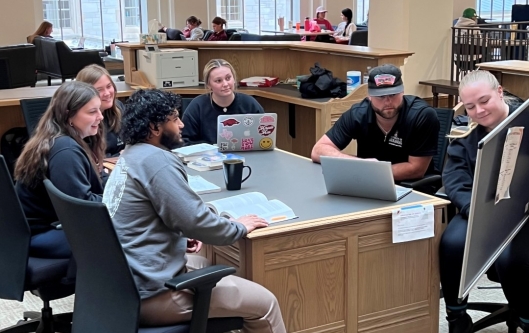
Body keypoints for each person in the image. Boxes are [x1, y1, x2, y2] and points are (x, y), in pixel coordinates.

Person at [102, 88, 286, 332]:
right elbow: (198, 222)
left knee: (203, 261)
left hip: (121, 285)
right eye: (175, 118)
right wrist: (239, 226)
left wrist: (179, 233)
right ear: (155, 128)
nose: (182, 124)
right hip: (150, 295)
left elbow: (157, 217)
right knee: (267, 304)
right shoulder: (158, 161)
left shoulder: (130, 156)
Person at [440, 70, 529, 333]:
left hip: (524, 212)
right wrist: (473, 209)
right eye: (470, 106)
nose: (478, 111)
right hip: (479, 209)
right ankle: (457, 318)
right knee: (452, 244)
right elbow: (454, 176)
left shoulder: (525, 117)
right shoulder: (462, 127)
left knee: (511, 257)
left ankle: (525, 317)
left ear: (500, 92)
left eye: (484, 100)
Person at [14, 81, 105, 259]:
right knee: (126, 234)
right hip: (42, 233)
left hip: (43, 228)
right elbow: (80, 207)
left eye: (99, 110)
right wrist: (122, 200)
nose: (100, 117)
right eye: (92, 111)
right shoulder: (66, 151)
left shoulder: (56, 138)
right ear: (68, 115)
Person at [311, 64, 439, 181]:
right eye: (381, 96)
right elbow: (318, 150)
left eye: (393, 94)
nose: (388, 102)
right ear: (369, 97)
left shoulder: (422, 115)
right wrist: (361, 165)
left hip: (411, 187)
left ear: (403, 92)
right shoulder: (358, 114)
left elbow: (416, 169)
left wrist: (372, 171)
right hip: (367, 184)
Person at [182, 58, 264, 145]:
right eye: (218, 81)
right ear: (209, 85)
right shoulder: (197, 106)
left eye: (228, 78)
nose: (225, 84)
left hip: (247, 157)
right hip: (208, 157)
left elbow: (264, 136)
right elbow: (184, 141)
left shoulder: (250, 104)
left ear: (234, 79)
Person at [76, 64, 124, 157]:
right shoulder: (82, 121)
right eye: (99, 90)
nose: (107, 93)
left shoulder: (119, 107)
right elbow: (91, 158)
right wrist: (120, 155)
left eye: (109, 86)